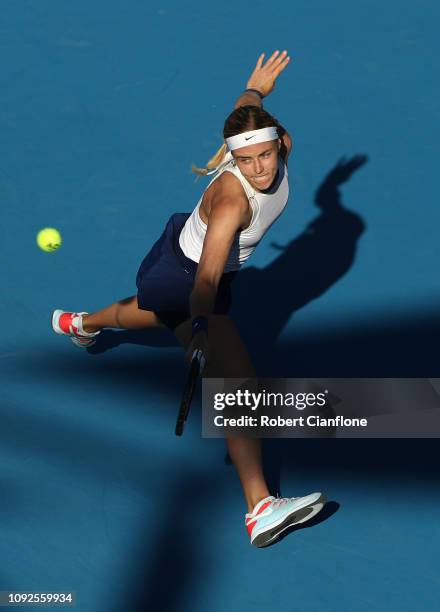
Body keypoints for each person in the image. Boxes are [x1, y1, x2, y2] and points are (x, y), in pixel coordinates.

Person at [51, 50, 326, 547]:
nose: (260, 168)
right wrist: (202, 327)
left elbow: (247, 112)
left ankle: (80, 324)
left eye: (265, 154)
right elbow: (206, 279)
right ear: (233, 157)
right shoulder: (230, 203)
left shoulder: (278, 140)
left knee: (144, 315)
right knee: (238, 380)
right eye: (246, 160)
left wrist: (256, 90)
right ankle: (259, 507)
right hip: (184, 276)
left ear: (276, 141)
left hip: (187, 270)